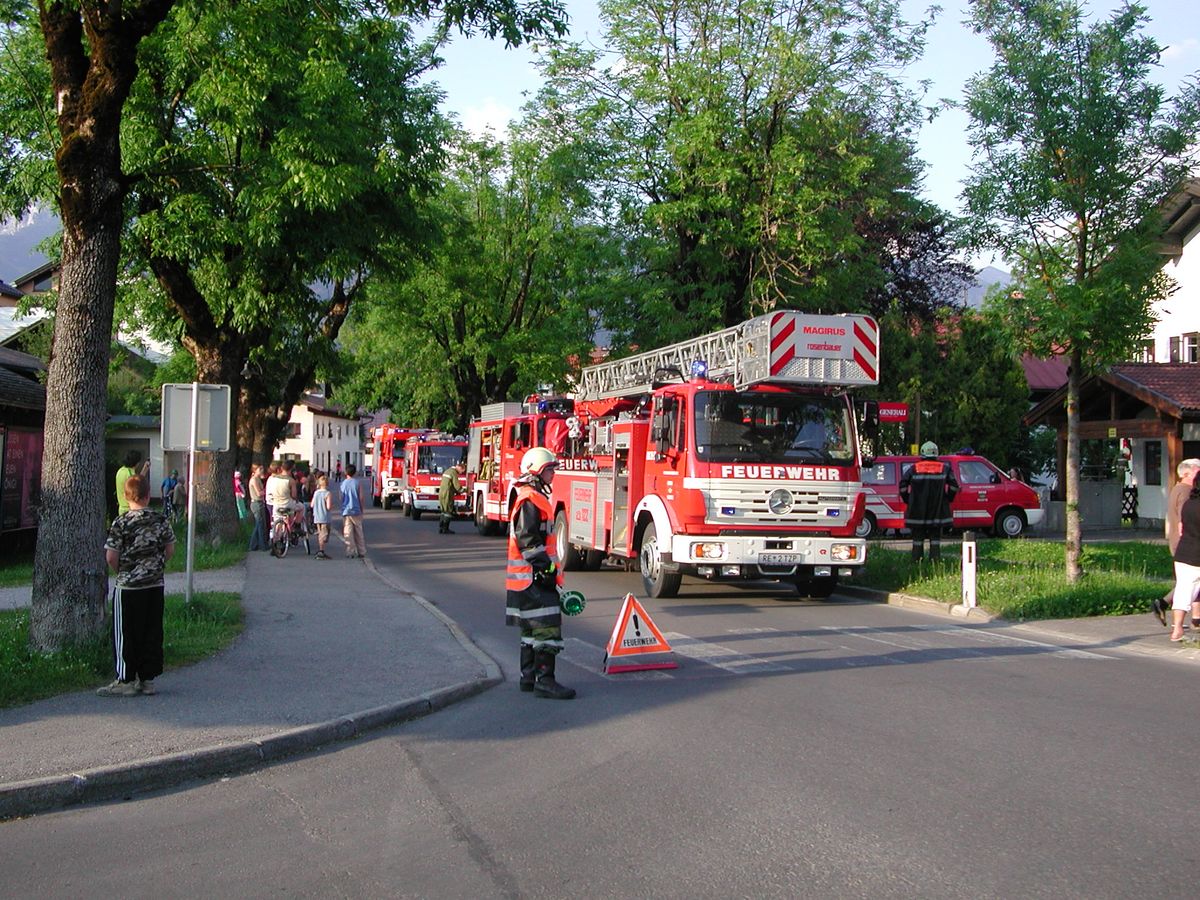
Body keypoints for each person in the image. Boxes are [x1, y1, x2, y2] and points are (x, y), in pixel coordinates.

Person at [505, 446, 574, 699]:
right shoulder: (530, 499)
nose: (553, 474)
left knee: (531, 628)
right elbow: (528, 540)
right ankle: (545, 680)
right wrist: (547, 568)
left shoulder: (530, 496)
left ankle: (529, 678)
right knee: (546, 627)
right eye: (549, 469)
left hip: (526, 579)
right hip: (533, 579)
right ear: (536, 472)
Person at [98, 474, 176, 697]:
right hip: (154, 584)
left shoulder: (121, 522)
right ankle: (147, 679)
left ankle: (126, 679)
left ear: (125, 495)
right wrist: (156, 566)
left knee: (125, 632)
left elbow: (111, 556)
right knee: (151, 630)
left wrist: (122, 571)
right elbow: (170, 549)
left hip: (129, 586)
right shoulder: (160, 520)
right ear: (147, 495)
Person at [1156, 459, 1200, 627]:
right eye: (1197, 471)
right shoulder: (1187, 492)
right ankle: (1166, 606)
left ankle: (1194, 618)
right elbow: (1187, 520)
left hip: (1182, 543)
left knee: (1189, 583)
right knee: (1188, 583)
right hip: (1187, 543)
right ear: (1187, 473)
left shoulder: (1177, 488)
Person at [898, 441, 959, 561]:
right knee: (935, 538)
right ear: (936, 454)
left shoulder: (914, 468)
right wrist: (948, 498)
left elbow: (902, 486)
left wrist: (908, 500)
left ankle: (916, 562)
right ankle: (935, 562)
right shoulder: (944, 468)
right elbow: (954, 486)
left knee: (917, 539)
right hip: (938, 510)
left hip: (917, 511)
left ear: (922, 453)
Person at [1170, 479, 1200, 642]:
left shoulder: (1189, 504)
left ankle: (1177, 628)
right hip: (1197, 555)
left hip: (1183, 553)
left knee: (1183, 591)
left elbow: (1183, 527)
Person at [267, 460, 304, 540]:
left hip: (276, 504)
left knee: (277, 524)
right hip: (288, 504)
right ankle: (297, 526)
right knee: (301, 508)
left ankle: (276, 541)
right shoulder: (291, 481)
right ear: (291, 469)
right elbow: (294, 495)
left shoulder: (274, 479)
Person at [340, 463, 367, 559]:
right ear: (355, 473)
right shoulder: (357, 483)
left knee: (348, 531)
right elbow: (361, 497)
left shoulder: (343, 484)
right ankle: (361, 551)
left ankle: (350, 551)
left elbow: (341, 497)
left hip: (346, 510)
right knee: (359, 531)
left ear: (345, 472)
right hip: (356, 510)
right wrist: (362, 509)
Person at [115, 450, 149, 518]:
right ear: (137, 463)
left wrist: (145, 469)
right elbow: (137, 485)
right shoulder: (130, 474)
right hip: (130, 508)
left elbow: (137, 479)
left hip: (121, 508)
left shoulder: (120, 471)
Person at [438, 462, 466, 534]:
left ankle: (441, 527)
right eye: (462, 471)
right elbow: (456, 485)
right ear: (459, 468)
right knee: (448, 511)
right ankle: (445, 528)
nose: (461, 473)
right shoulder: (453, 473)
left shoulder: (447, 471)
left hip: (442, 493)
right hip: (447, 494)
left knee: (443, 511)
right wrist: (464, 490)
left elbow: (449, 483)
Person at [247, 463, 268, 551]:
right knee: (260, 524)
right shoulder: (254, 480)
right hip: (256, 503)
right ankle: (262, 545)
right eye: (260, 469)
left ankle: (253, 545)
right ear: (255, 470)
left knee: (259, 524)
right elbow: (259, 493)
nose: (262, 471)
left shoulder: (258, 479)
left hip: (259, 502)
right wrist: (266, 490)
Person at [311, 474, 333, 559]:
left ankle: (321, 549)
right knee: (324, 535)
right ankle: (321, 551)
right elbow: (328, 507)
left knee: (320, 533)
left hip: (317, 516)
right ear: (327, 483)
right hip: (325, 517)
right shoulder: (327, 494)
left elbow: (312, 505)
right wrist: (332, 506)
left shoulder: (316, 493)